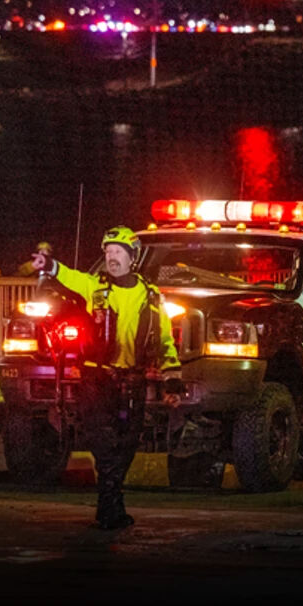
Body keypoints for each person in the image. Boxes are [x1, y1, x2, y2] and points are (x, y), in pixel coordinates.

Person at [32, 226, 181, 530]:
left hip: (133, 381)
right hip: (97, 379)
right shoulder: (95, 288)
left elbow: (165, 339)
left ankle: (110, 504)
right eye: (108, 252)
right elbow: (71, 276)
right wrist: (49, 265)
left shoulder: (151, 296)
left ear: (132, 257)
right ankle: (111, 504)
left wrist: (171, 380)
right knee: (103, 443)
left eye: (117, 252)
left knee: (126, 445)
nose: (111, 258)